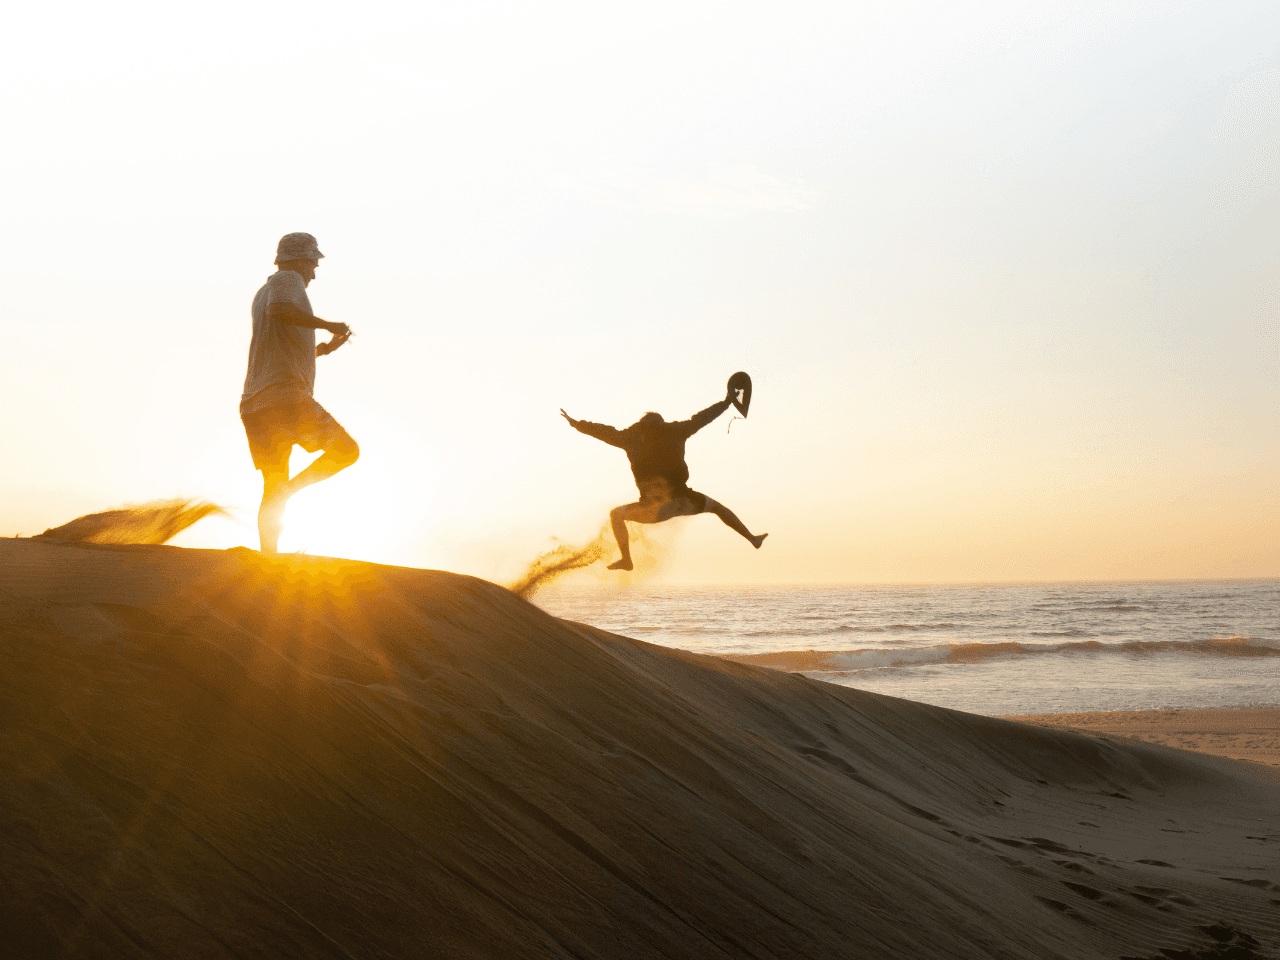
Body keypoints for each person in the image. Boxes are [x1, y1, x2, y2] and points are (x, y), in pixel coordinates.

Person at [239, 232, 359, 554]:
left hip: (255, 403)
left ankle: (269, 557)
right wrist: (328, 324)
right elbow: (280, 312)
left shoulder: (264, 292)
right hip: (286, 399)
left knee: (272, 484)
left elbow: (280, 340)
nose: (314, 273)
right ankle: (290, 492)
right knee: (346, 452)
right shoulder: (287, 280)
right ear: (299, 260)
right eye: (313, 263)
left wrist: (320, 350)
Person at [561, 387, 767, 571]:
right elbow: (703, 418)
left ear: (642, 424)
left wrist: (576, 424)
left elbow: (605, 433)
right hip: (683, 501)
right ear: (660, 422)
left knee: (616, 515)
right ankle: (752, 538)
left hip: (653, 510)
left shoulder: (631, 438)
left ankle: (626, 559)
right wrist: (726, 402)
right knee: (717, 508)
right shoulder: (677, 430)